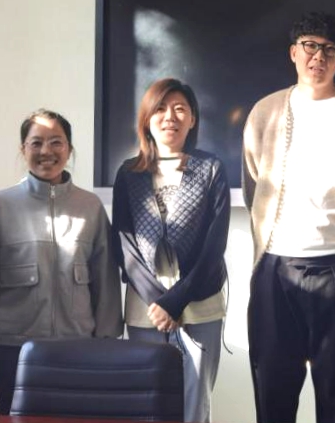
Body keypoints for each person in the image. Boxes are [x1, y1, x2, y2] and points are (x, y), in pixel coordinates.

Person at [242, 11, 335, 423]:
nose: (318, 56)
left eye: (329, 49)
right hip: (275, 268)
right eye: (309, 46)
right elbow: (253, 183)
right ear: (294, 52)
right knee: (273, 395)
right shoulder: (265, 111)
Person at [0, 109, 122, 415]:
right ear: (23, 149)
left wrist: (106, 340)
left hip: (78, 346)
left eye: (56, 142)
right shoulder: (1, 205)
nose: (46, 151)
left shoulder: (90, 206)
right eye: (36, 143)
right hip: (13, 349)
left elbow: (106, 279)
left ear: (69, 149)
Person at [112, 78, 231, 423]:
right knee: (146, 404)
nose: (170, 117)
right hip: (146, 307)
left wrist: (176, 301)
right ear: (147, 118)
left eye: (180, 109)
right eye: (161, 108)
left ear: (192, 118)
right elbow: (125, 245)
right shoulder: (128, 173)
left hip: (200, 303)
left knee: (195, 405)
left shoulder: (210, 169)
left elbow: (214, 247)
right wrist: (161, 303)